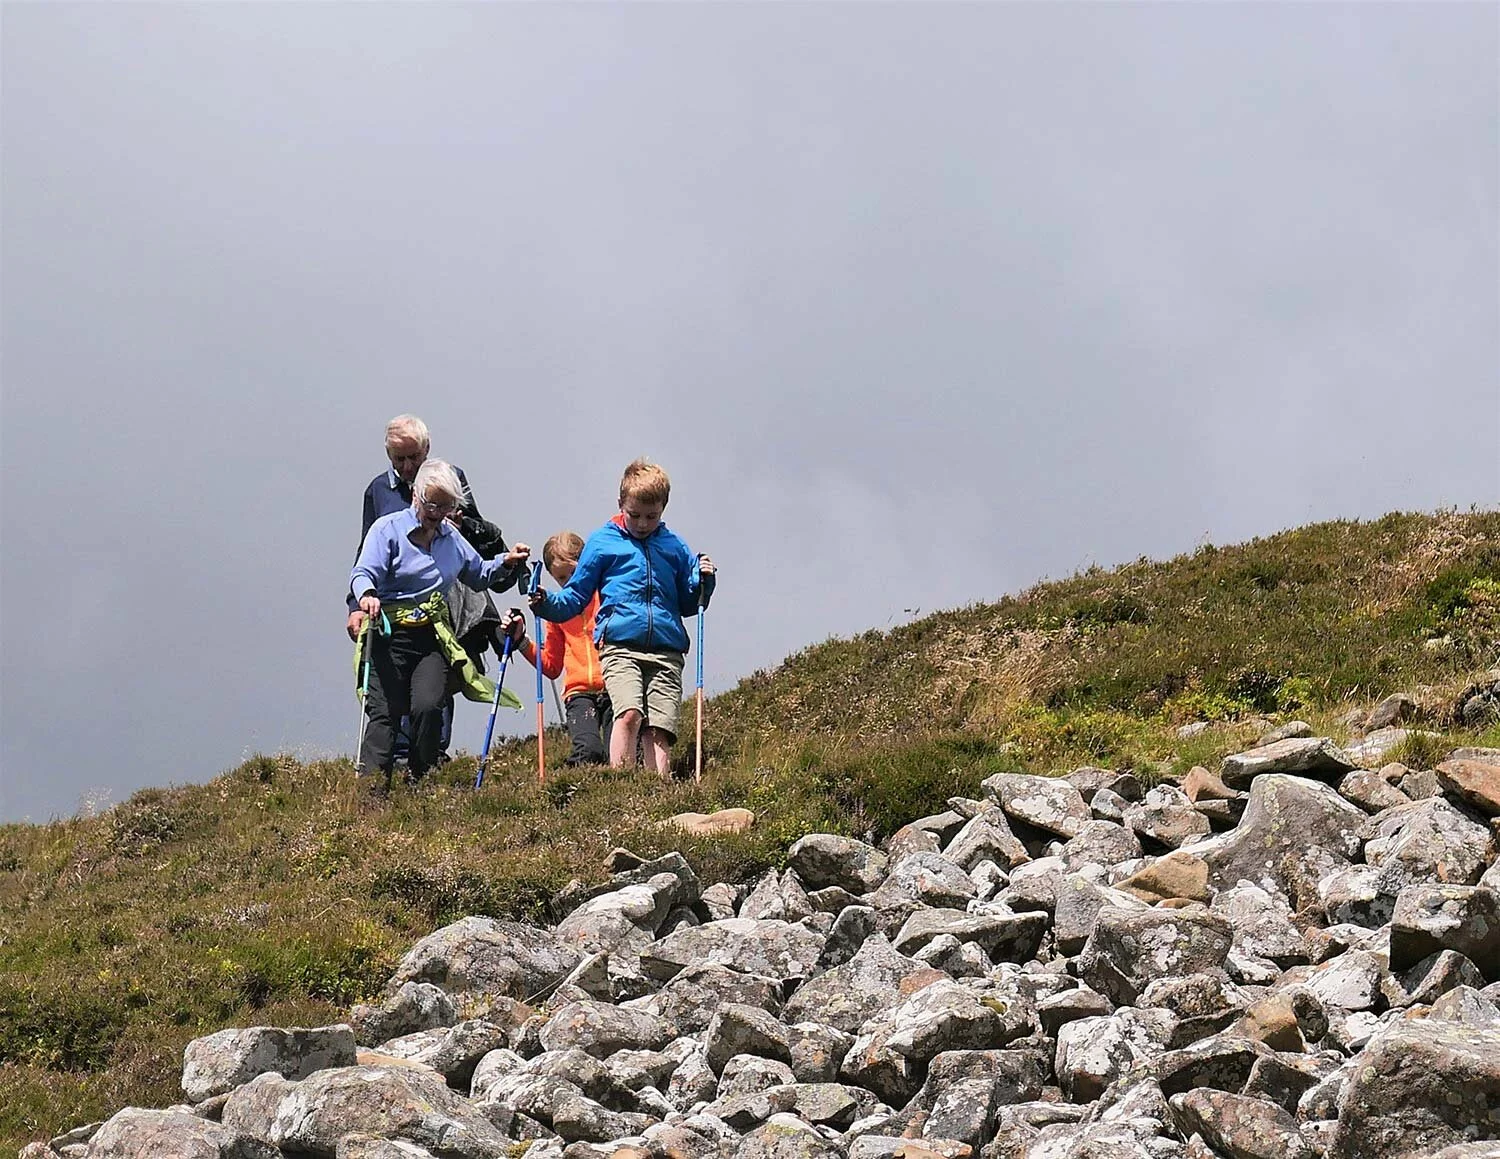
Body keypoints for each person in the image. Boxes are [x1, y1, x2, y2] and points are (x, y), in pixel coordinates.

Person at [528, 459, 715, 779]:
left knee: (658, 728)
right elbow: (575, 596)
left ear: (663, 509)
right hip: (619, 645)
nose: (643, 523)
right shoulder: (602, 543)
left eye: (651, 516)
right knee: (628, 713)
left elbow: (688, 603)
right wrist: (545, 605)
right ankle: (624, 784)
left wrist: (704, 582)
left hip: (667, 650)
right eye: (635, 515)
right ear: (620, 504)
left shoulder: (674, 546)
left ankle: (658, 790)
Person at [352, 459, 530, 791]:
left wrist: (506, 563)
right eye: (432, 504)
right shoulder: (387, 530)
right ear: (416, 495)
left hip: (430, 636)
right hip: (388, 634)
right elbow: (362, 573)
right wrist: (367, 595)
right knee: (385, 715)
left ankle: (422, 783)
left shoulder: (451, 538)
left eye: (445, 507)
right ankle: (370, 797)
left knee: (429, 706)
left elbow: (479, 574)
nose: (437, 513)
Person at [501, 532, 612, 767]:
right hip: (579, 692)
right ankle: (574, 792)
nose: (570, 581)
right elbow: (551, 666)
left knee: (622, 751)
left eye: (575, 572)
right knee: (588, 750)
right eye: (562, 578)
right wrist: (521, 641)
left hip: (615, 685)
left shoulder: (607, 597)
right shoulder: (556, 612)